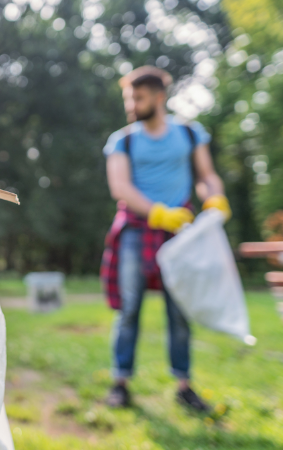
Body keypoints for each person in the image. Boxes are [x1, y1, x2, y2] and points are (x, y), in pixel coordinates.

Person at [100, 66, 232, 412]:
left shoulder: (189, 134)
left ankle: (184, 386)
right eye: (129, 97)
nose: (132, 104)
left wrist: (214, 197)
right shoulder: (123, 140)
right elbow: (121, 187)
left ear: (159, 98)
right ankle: (120, 383)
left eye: (139, 97)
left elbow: (206, 177)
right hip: (136, 230)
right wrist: (157, 212)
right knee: (129, 310)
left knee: (180, 311)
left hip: (180, 233)